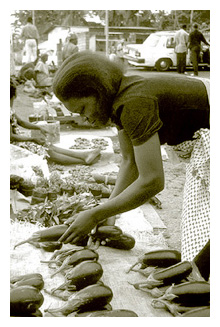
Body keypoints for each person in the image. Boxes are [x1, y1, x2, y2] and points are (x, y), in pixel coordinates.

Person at [51, 51, 209, 247]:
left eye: (83, 109)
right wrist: (109, 212)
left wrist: (95, 214)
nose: (85, 119)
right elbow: (129, 161)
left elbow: (152, 180)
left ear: (97, 92)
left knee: (205, 230)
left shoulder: (134, 102)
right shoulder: (119, 99)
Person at [10, 77, 47, 145]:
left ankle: (73, 155)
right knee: (47, 149)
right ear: (15, 94)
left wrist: (39, 127)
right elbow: (11, 137)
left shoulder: (10, 110)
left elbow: (21, 122)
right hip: (14, 145)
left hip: (16, 141)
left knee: (49, 147)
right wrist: (32, 139)